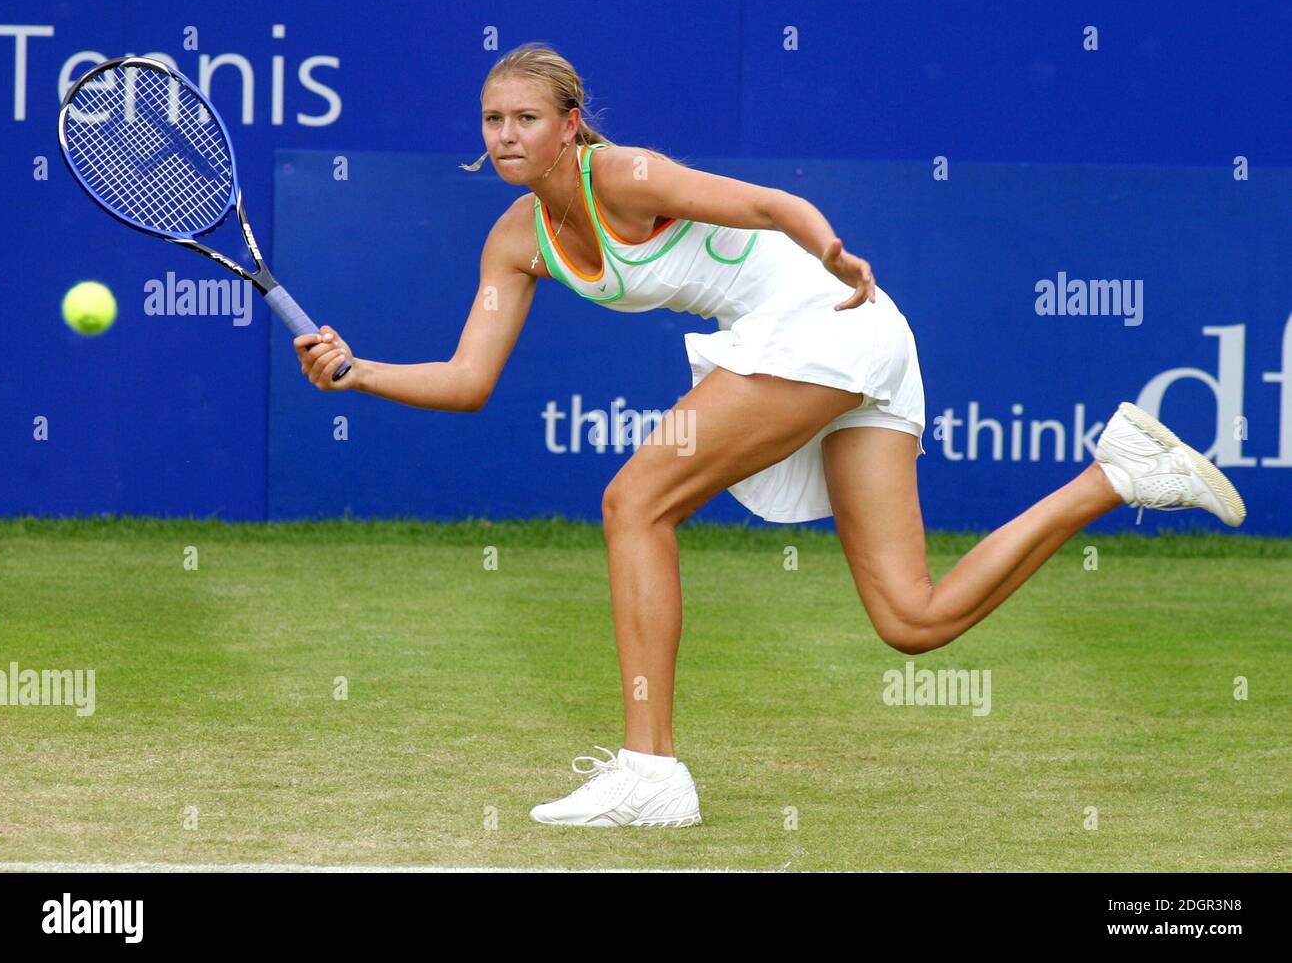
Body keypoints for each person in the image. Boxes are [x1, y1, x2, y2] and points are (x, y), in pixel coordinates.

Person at [293, 43, 1247, 828]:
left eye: (525, 118)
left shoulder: (623, 174)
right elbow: (468, 381)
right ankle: (1114, 476)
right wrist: (358, 368)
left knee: (634, 499)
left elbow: (763, 205)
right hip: (827, 343)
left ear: (569, 123)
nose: (506, 135)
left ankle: (651, 769)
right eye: (493, 120)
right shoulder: (515, 238)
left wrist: (828, 245)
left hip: (830, 318)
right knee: (912, 621)